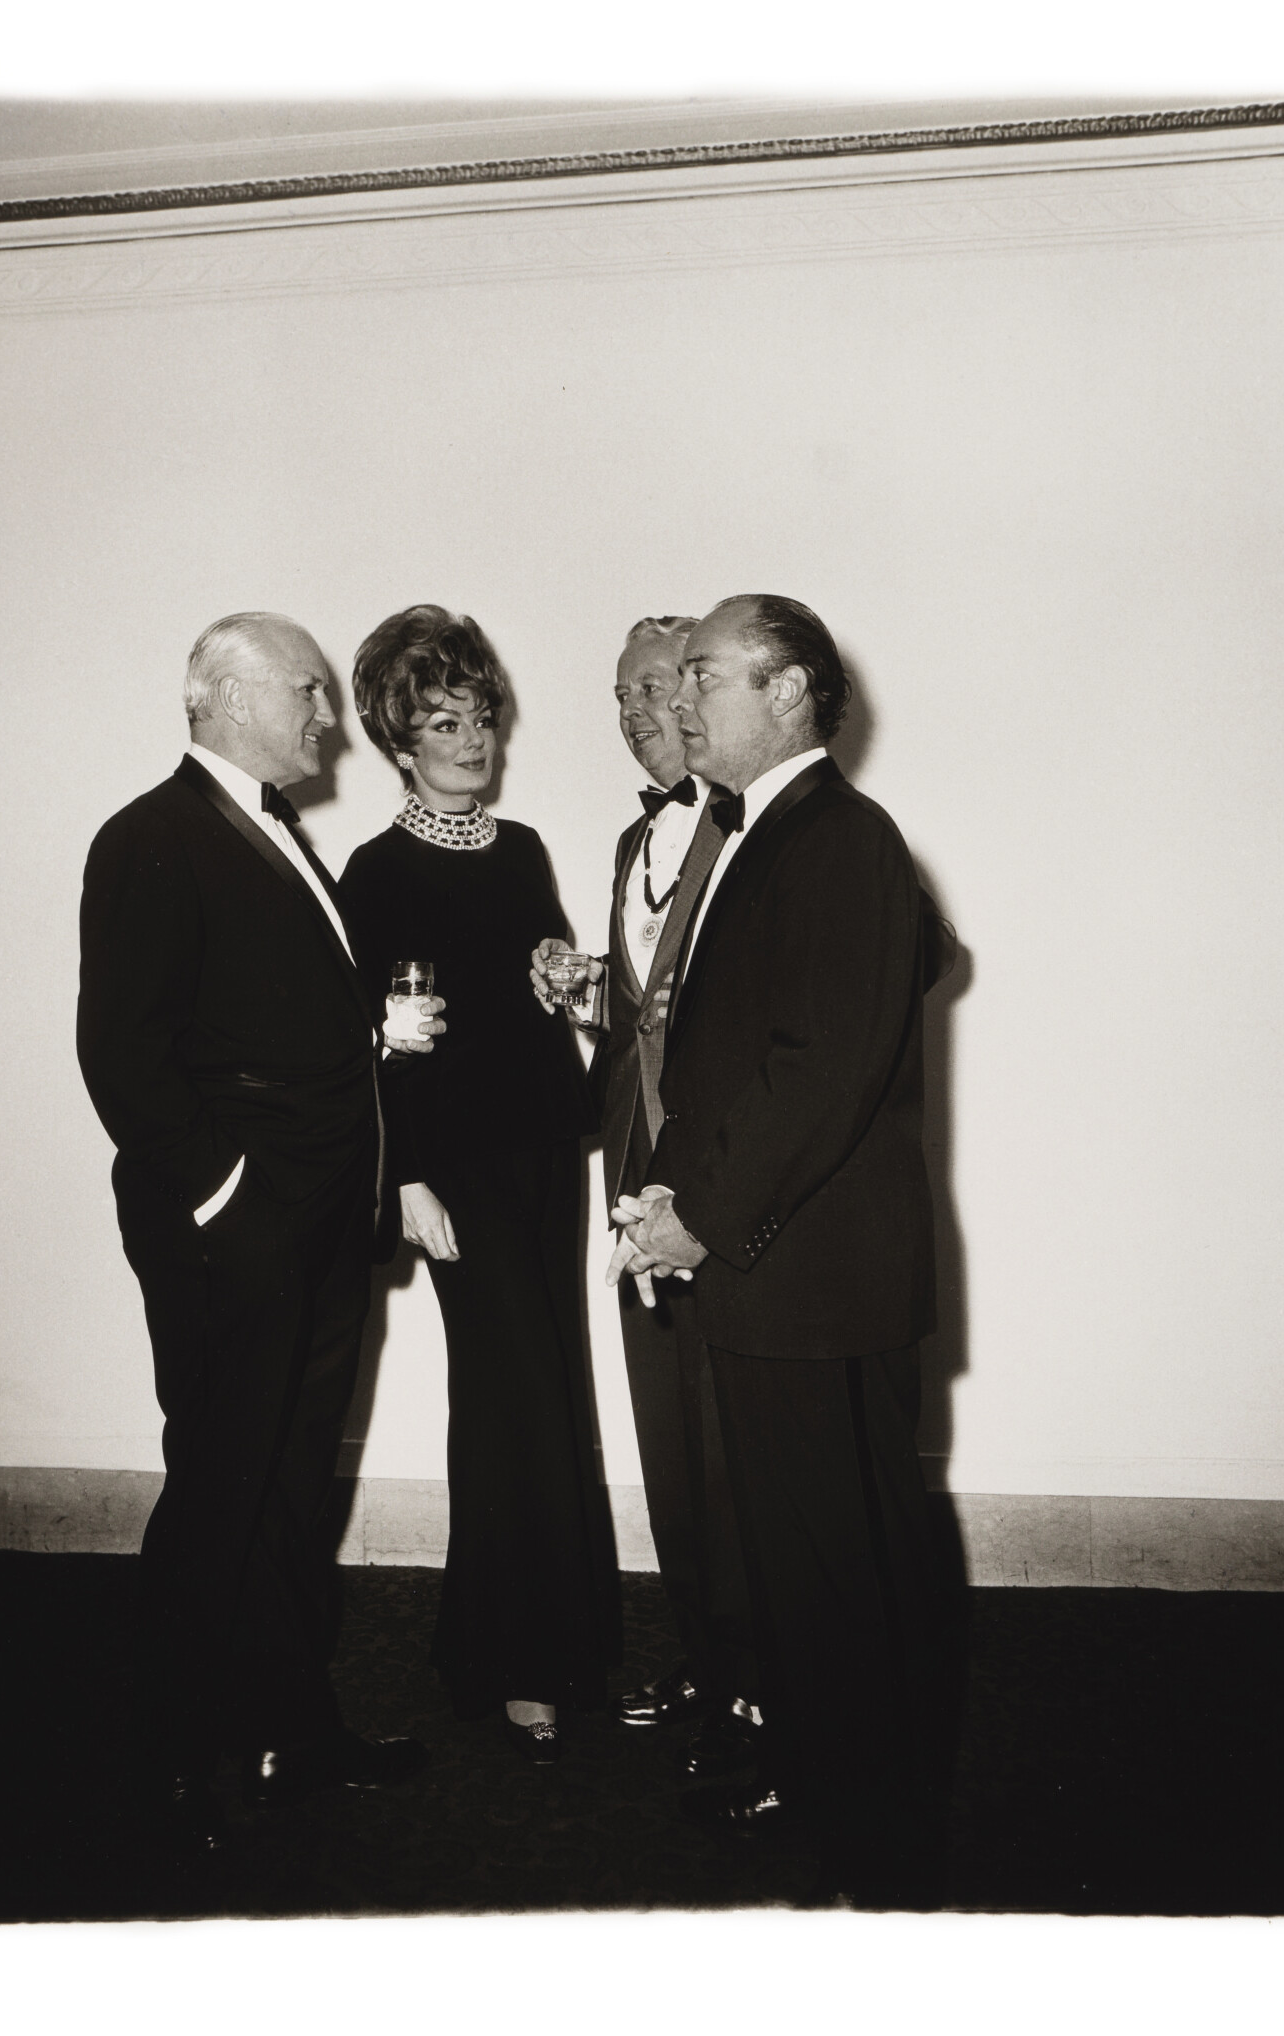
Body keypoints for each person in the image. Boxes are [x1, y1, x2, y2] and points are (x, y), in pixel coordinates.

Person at [76, 611, 441, 1849]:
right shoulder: (149, 837)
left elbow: (280, 1017)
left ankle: (292, 1730)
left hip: (321, 1225)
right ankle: (164, 1752)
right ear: (224, 696)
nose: (326, 717)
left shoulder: (278, 835)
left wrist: (370, 1045)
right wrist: (224, 1193)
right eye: (307, 691)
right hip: (236, 1230)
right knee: (226, 1487)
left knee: (289, 1487)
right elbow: (121, 1053)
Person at [610, 593, 956, 1886]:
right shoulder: (778, 838)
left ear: (794, 691)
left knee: (832, 1568)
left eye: (706, 675)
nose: (682, 700)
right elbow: (736, 1057)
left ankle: (862, 1834)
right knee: (822, 1564)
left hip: (810, 1283)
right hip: (794, 1272)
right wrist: (673, 1198)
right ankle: (842, 1793)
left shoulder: (840, 841)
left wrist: (697, 1215)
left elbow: (817, 1071)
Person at [337, 605, 619, 1762]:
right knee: (508, 1397)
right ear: (401, 741)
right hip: (455, 1170)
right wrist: (401, 1179)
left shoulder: (523, 849)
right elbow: (355, 1043)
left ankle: (539, 1645)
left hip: (547, 1152)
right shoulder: (373, 868)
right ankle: (515, 1660)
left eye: (479, 715)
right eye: (442, 721)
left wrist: (567, 978)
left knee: (549, 1387)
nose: (469, 739)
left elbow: (542, 982)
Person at [529, 618, 762, 1785]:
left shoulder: (765, 824)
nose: (629, 710)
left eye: (651, 686)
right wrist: (581, 1004)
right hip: (630, 1181)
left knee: (743, 1439)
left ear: (703, 690)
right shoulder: (634, 838)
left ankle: (768, 1678)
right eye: (616, 694)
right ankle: (708, 1657)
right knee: (667, 1435)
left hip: (729, 1189)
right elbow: (646, 1013)